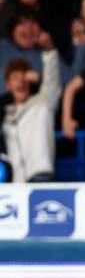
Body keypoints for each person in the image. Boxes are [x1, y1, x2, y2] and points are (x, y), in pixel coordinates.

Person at [2, 32, 60, 182]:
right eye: (15, 78)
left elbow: (52, 81)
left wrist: (49, 51)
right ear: (8, 84)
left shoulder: (43, 103)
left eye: (24, 78)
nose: (20, 82)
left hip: (42, 177)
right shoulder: (5, 113)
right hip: (15, 183)